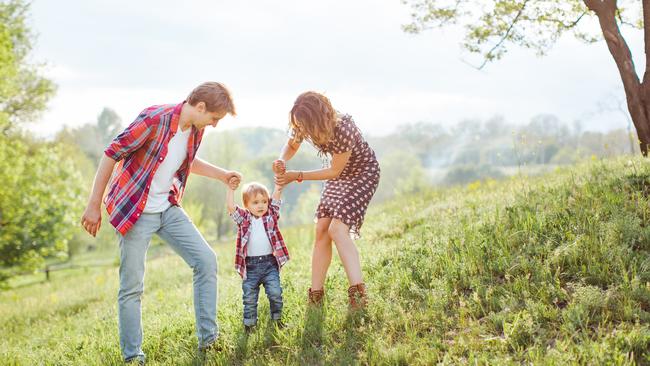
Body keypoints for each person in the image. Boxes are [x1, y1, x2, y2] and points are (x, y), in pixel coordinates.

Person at [80, 82, 241, 364]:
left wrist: (222, 174)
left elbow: (187, 161)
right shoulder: (155, 119)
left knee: (206, 260)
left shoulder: (196, 130)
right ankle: (133, 357)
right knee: (132, 286)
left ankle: (209, 340)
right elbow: (111, 153)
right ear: (200, 107)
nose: (214, 125)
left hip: (167, 207)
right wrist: (94, 204)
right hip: (135, 211)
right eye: (214, 118)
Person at [273, 91, 380, 310]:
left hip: (361, 174)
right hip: (340, 175)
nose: (301, 131)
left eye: (304, 126)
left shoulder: (343, 129)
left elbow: (334, 170)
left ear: (317, 119)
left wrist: (298, 175)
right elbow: (292, 145)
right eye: (298, 126)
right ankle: (316, 296)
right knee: (322, 228)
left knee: (337, 230)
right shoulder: (304, 122)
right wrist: (281, 160)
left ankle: (358, 295)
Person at [226, 180, 289, 332]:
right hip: (251, 266)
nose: (261, 205)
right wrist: (230, 189)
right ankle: (249, 325)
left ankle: (277, 319)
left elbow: (276, 199)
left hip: (269, 264)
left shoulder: (271, 216)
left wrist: (279, 186)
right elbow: (230, 207)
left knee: (275, 292)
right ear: (246, 205)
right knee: (249, 298)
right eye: (255, 202)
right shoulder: (244, 219)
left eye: (264, 201)